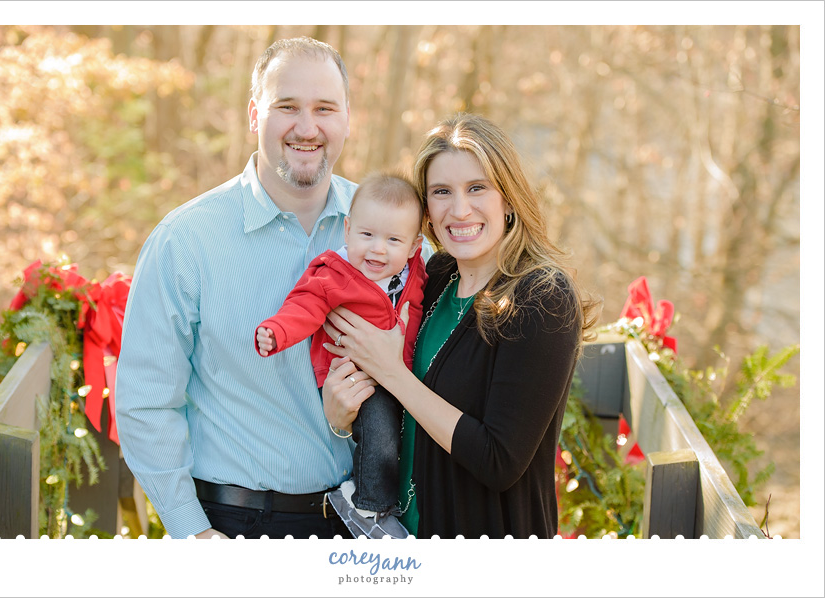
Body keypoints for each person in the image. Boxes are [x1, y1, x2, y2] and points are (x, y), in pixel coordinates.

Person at [115, 37, 362, 540]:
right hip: (235, 527)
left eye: (325, 109)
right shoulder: (186, 241)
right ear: (255, 115)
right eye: (286, 107)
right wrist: (194, 534)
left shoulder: (389, 233)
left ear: (347, 119)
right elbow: (145, 402)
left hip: (364, 525)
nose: (307, 127)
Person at [321, 112, 600, 539]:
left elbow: (499, 460)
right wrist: (341, 413)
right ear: (426, 209)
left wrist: (390, 372)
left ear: (508, 196)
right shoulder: (436, 276)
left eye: (476, 188)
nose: (459, 209)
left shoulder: (541, 297)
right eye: (441, 192)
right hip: (400, 542)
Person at [255, 173, 426, 538]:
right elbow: (305, 306)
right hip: (353, 375)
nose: (378, 249)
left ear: (414, 247)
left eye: (393, 240)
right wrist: (277, 332)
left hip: (403, 377)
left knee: (406, 438)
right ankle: (368, 506)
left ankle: (393, 501)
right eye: (367, 235)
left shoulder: (417, 274)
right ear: (347, 230)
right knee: (379, 432)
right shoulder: (334, 273)